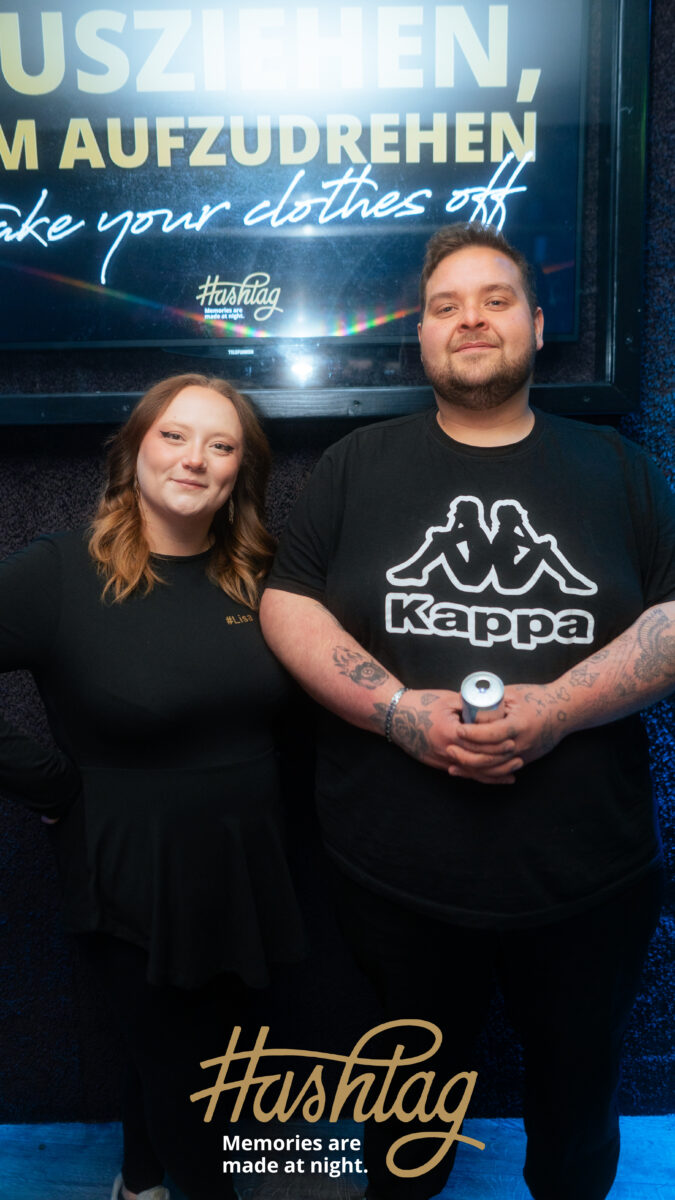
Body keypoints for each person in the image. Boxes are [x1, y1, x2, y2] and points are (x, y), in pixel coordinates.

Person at [259, 224, 675, 1200]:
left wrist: (561, 707)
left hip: (585, 882)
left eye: (495, 300)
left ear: (536, 323)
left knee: (577, 1114)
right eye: (445, 306)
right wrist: (398, 710)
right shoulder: (357, 464)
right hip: (395, 884)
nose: (471, 319)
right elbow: (288, 601)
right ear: (421, 336)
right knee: (403, 1121)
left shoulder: (618, 469)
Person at [0, 374, 306, 1200]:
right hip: (129, 863)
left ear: (241, 470)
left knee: (199, 1055)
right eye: (173, 435)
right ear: (133, 450)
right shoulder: (60, 571)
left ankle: (138, 1182)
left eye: (220, 444)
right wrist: (49, 784)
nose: (194, 458)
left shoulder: (265, 573)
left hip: (247, 863)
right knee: (187, 1075)